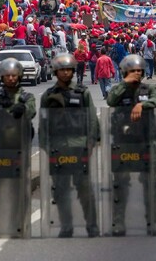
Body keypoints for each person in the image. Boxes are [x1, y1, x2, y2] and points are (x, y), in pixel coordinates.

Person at [40, 53, 100, 238]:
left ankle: (92, 225)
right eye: (61, 70)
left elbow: (91, 119)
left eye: (68, 70)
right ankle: (66, 226)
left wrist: (91, 142)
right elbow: (43, 124)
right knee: (60, 190)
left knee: (84, 189)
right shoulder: (48, 95)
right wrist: (46, 146)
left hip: (79, 146)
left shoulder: (83, 93)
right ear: (55, 72)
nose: (65, 73)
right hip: (57, 148)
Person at [107, 54, 156, 236]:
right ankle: (118, 222)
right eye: (132, 71)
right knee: (121, 183)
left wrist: (141, 106)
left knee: (149, 182)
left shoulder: (148, 89)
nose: (136, 74)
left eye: (139, 70)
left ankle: (152, 222)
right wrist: (125, 83)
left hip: (145, 141)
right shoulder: (119, 89)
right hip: (123, 142)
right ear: (125, 72)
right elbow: (110, 100)